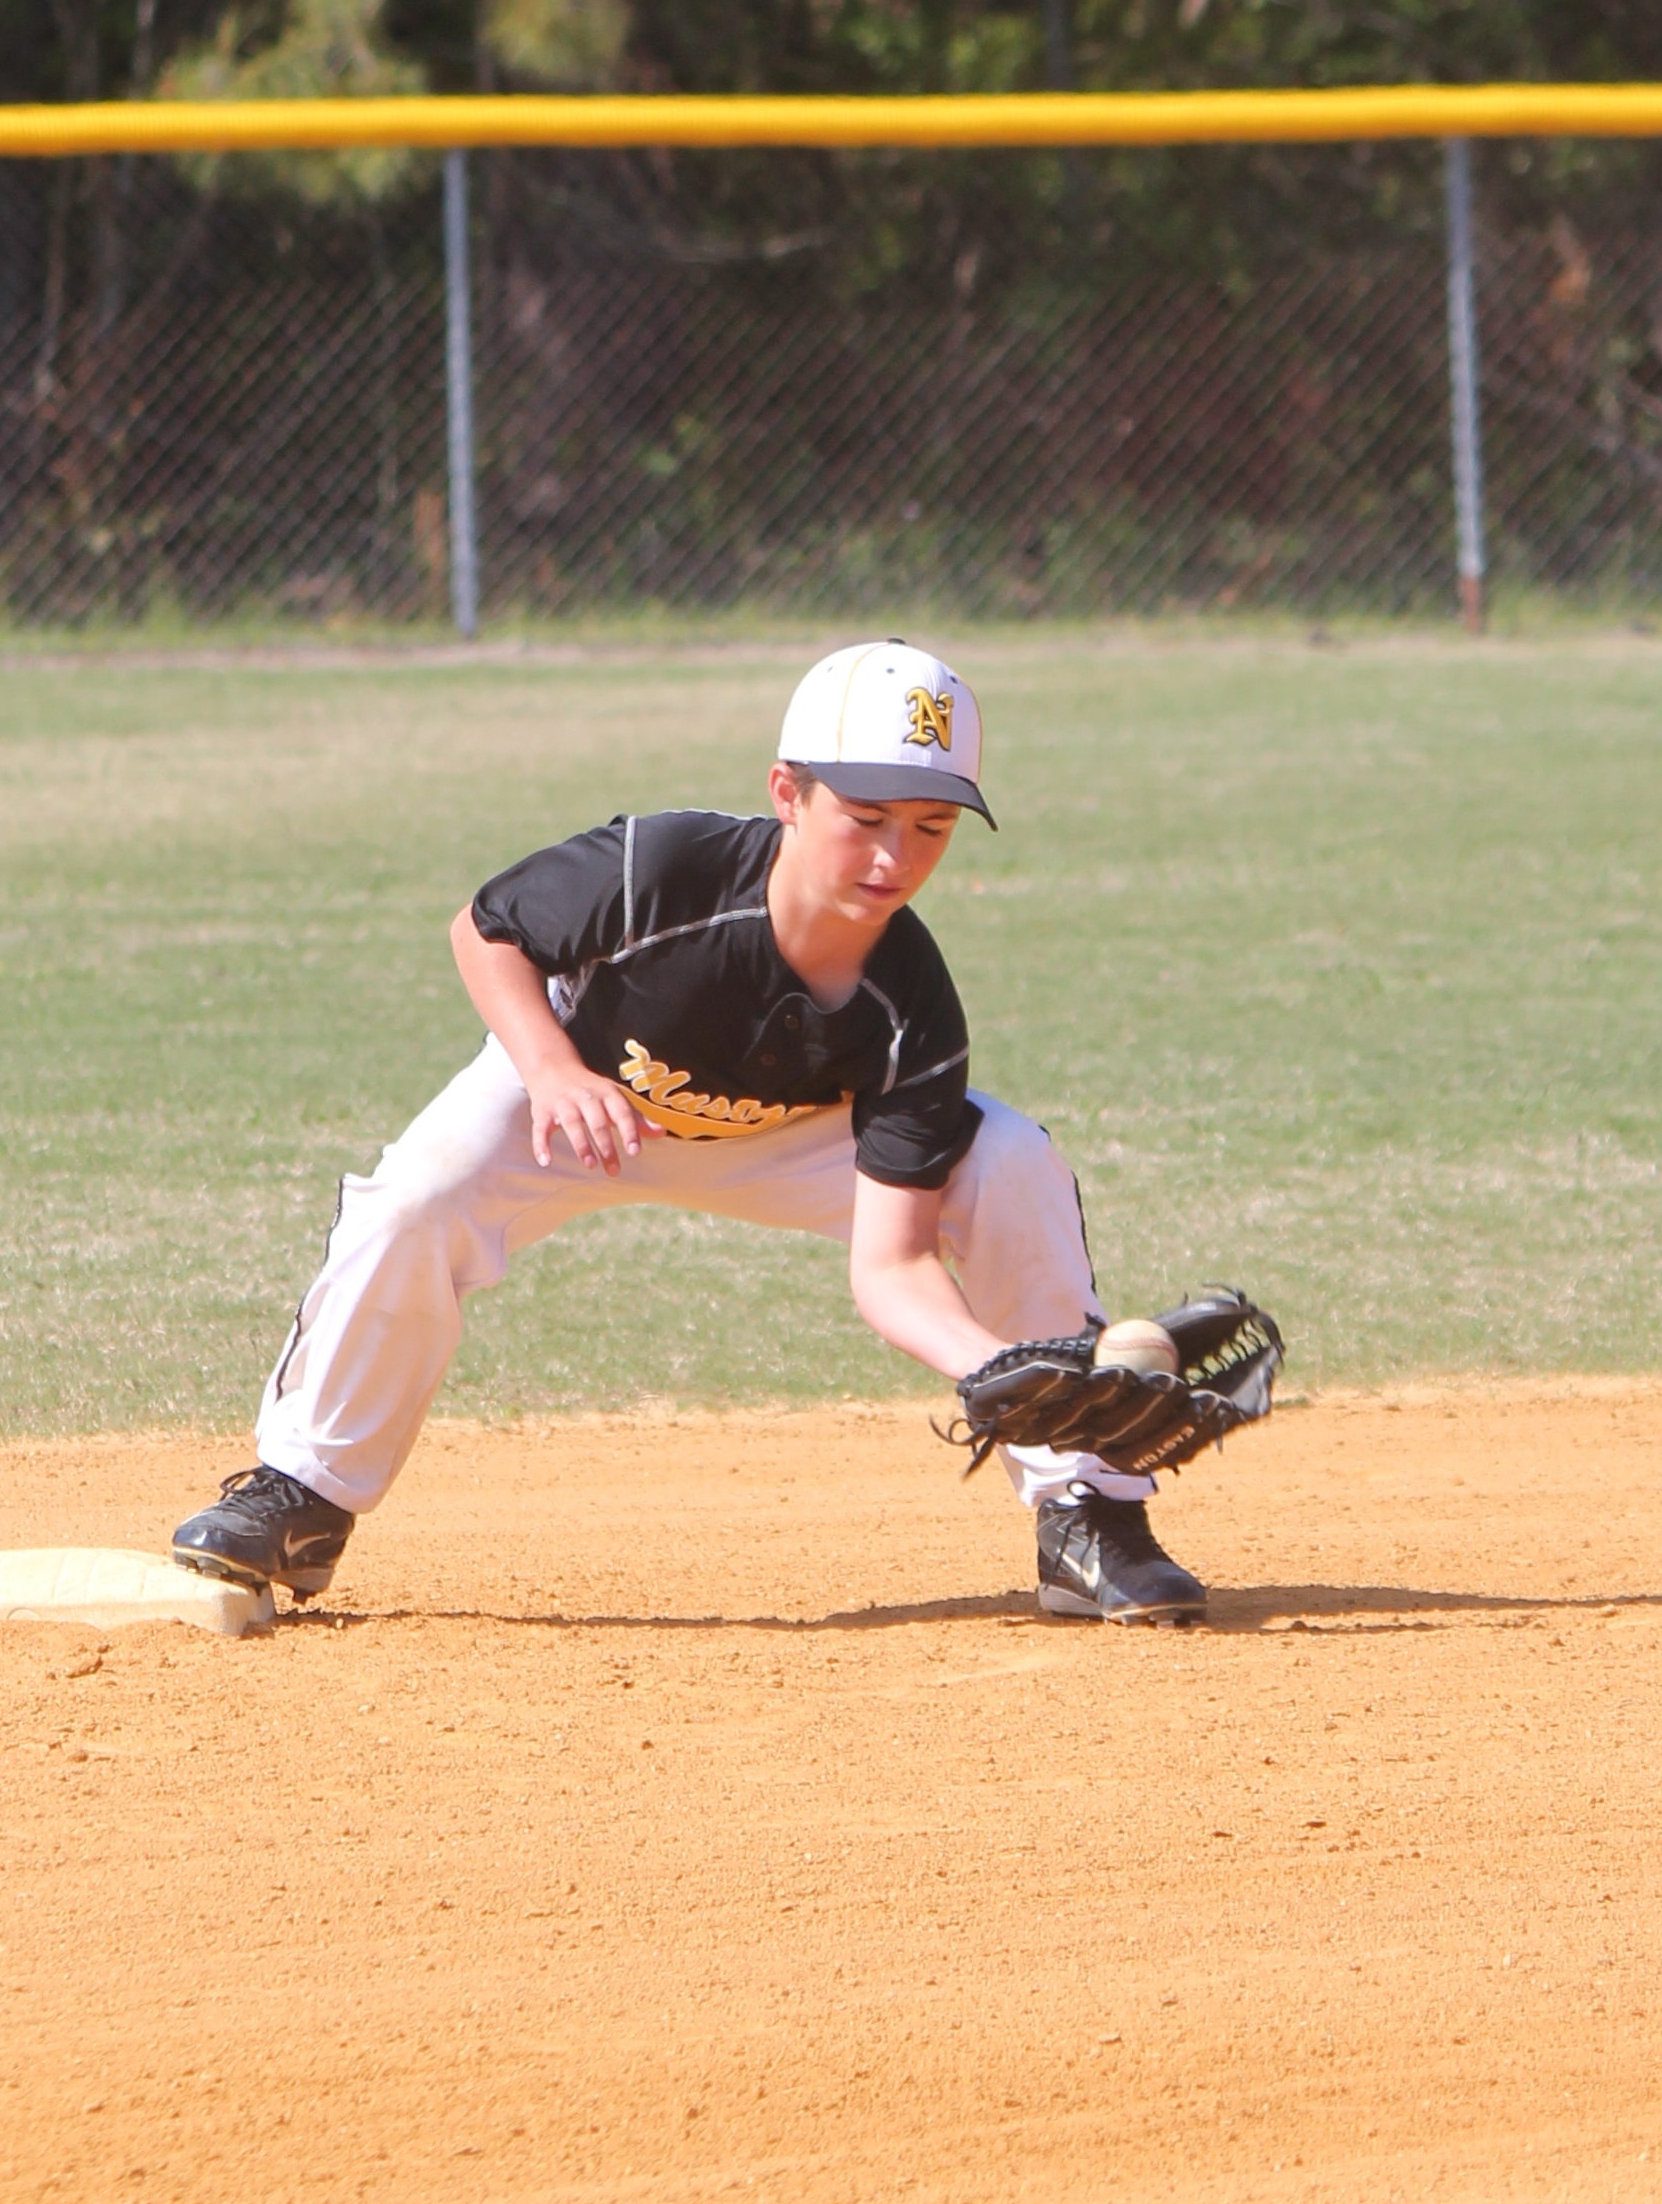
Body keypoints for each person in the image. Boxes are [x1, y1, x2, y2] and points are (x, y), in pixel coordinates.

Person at [171, 638, 1211, 1623]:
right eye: (866, 814)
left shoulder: (914, 1010)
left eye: (931, 828)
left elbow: (889, 1266)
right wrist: (547, 1067)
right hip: (581, 1099)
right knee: (419, 1194)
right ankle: (300, 1495)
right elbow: (486, 929)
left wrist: (995, 1368)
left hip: (791, 1141)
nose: (895, 856)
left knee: (1010, 1160)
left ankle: (1090, 1510)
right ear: (787, 793)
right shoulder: (661, 867)